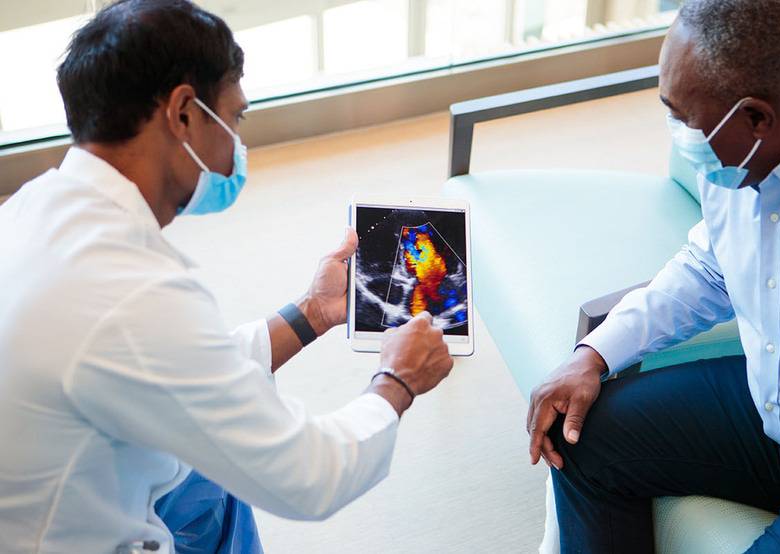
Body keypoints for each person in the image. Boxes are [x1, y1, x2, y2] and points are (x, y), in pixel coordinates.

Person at [0, 1, 454, 552]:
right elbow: (309, 476)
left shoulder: (32, 209)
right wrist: (397, 380)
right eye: (235, 118)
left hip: (67, 466)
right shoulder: (132, 290)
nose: (239, 147)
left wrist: (311, 313)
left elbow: (179, 366)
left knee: (212, 477)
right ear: (184, 113)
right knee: (224, 473)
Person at [526, 0, 780, 552]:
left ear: (756, 117)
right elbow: (711, 265)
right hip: (770, 408)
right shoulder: (739, 156)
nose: (679, 133)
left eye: (684, 119)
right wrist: (593, 355)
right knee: (581, 435)